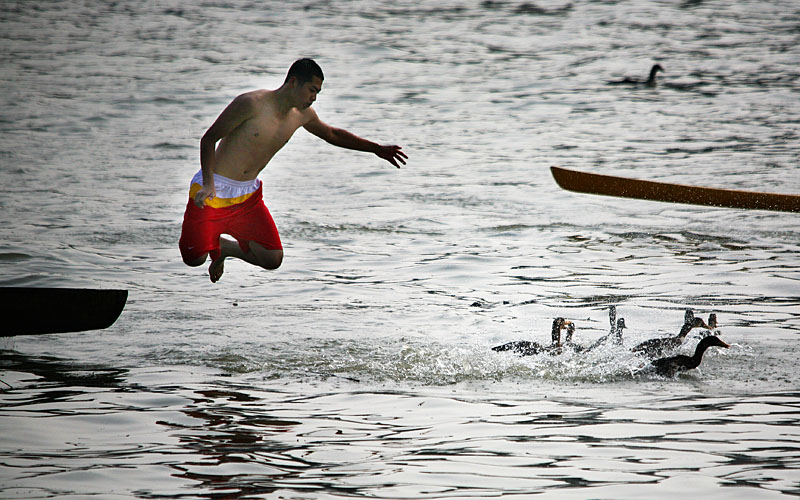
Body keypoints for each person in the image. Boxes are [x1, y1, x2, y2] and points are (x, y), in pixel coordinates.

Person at [179, 58, 408, 282]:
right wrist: (208, 183)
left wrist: (376, 149)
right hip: (213, 189)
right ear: (294, 82)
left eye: (317, 92)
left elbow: (332, 134)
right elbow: (209, 139)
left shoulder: (302, 115)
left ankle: (225, 248)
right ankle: (208, 244)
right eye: (311, 90)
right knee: (194, 259)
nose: (314, 98)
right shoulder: (251, 104)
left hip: (247, 195)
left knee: (272, 258)